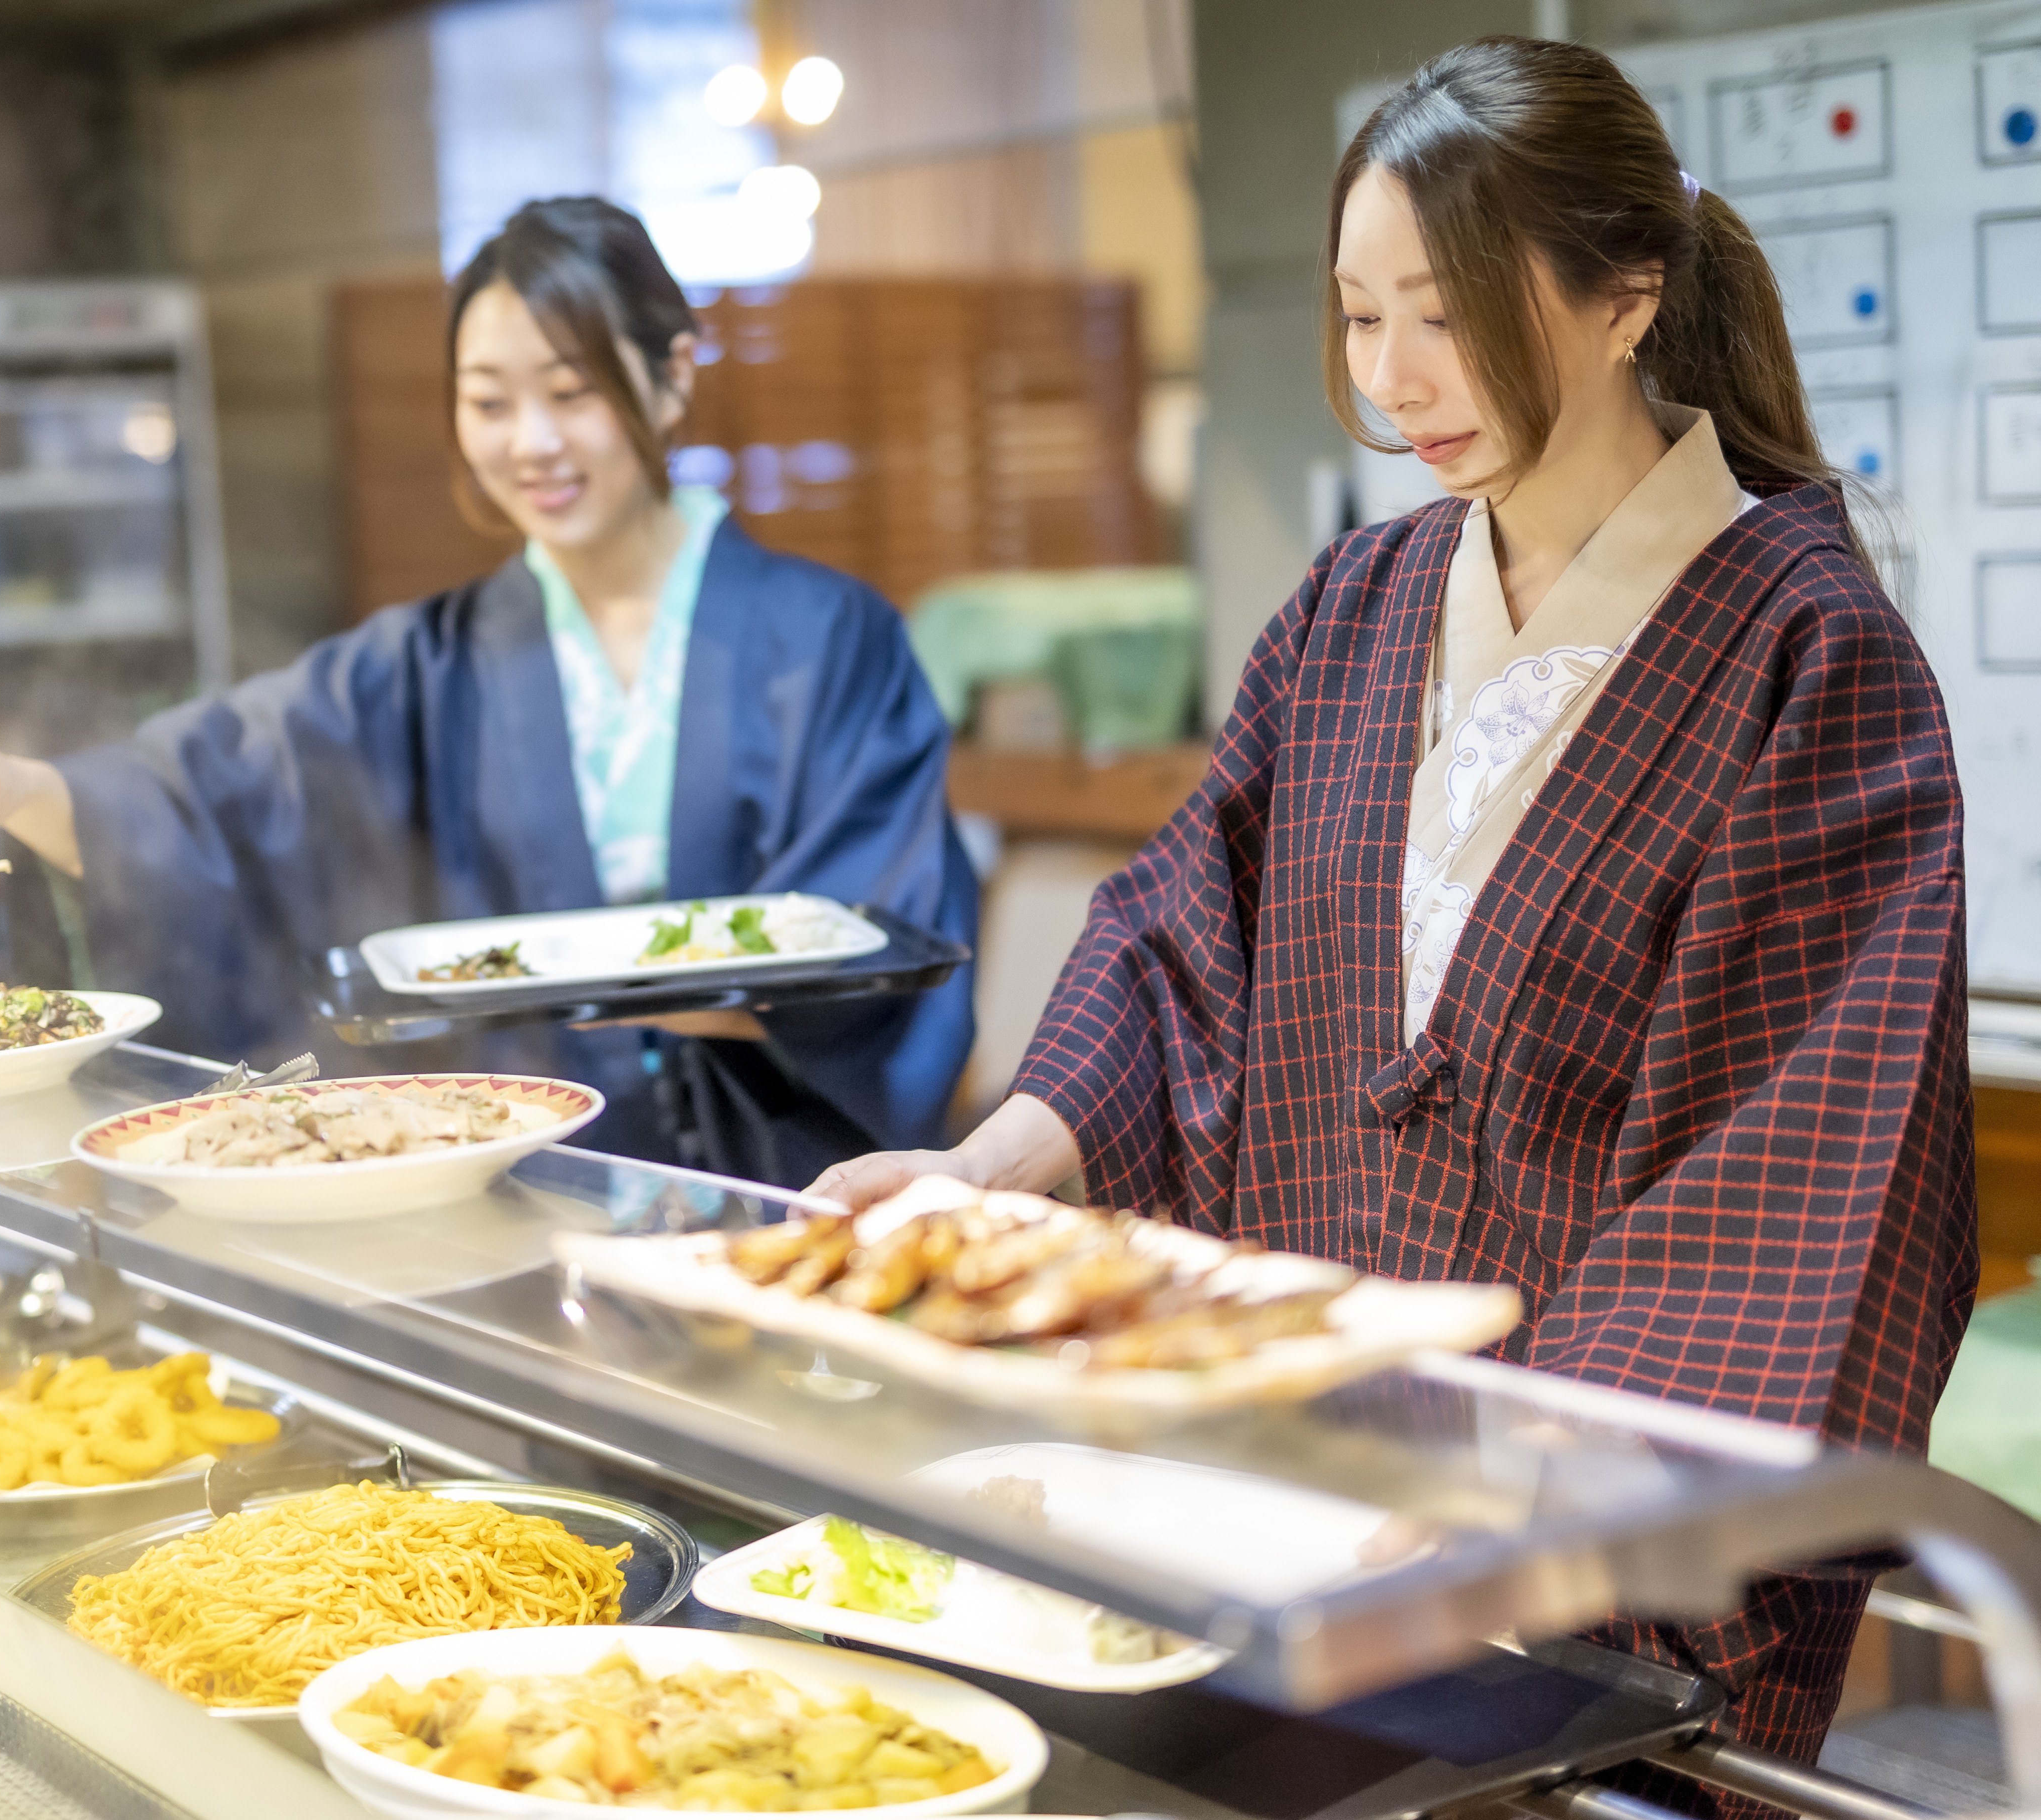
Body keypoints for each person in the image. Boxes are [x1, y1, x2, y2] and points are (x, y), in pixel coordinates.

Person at [812, 36, 1975, 1791]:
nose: (1396, 377)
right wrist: (984, 1176)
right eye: (1359, 319)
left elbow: (1797, 1165)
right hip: (1283, 1507)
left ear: (1626, 296)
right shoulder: (1359, 597)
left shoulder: (1808, 654)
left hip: (1582, 1577)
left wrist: (1494, 1510)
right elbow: (1184, 936)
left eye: (1442, 312)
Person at [0, 196, 978, 1189]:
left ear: (676, 374)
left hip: (781, 1189)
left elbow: (874, 944)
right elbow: (217, 792)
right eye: (489, 402)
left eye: (572, 391)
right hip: (529, 1183)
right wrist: (22, 784)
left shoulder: (830, 641)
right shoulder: (428, 662)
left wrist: (542, 992)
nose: (532, 442)